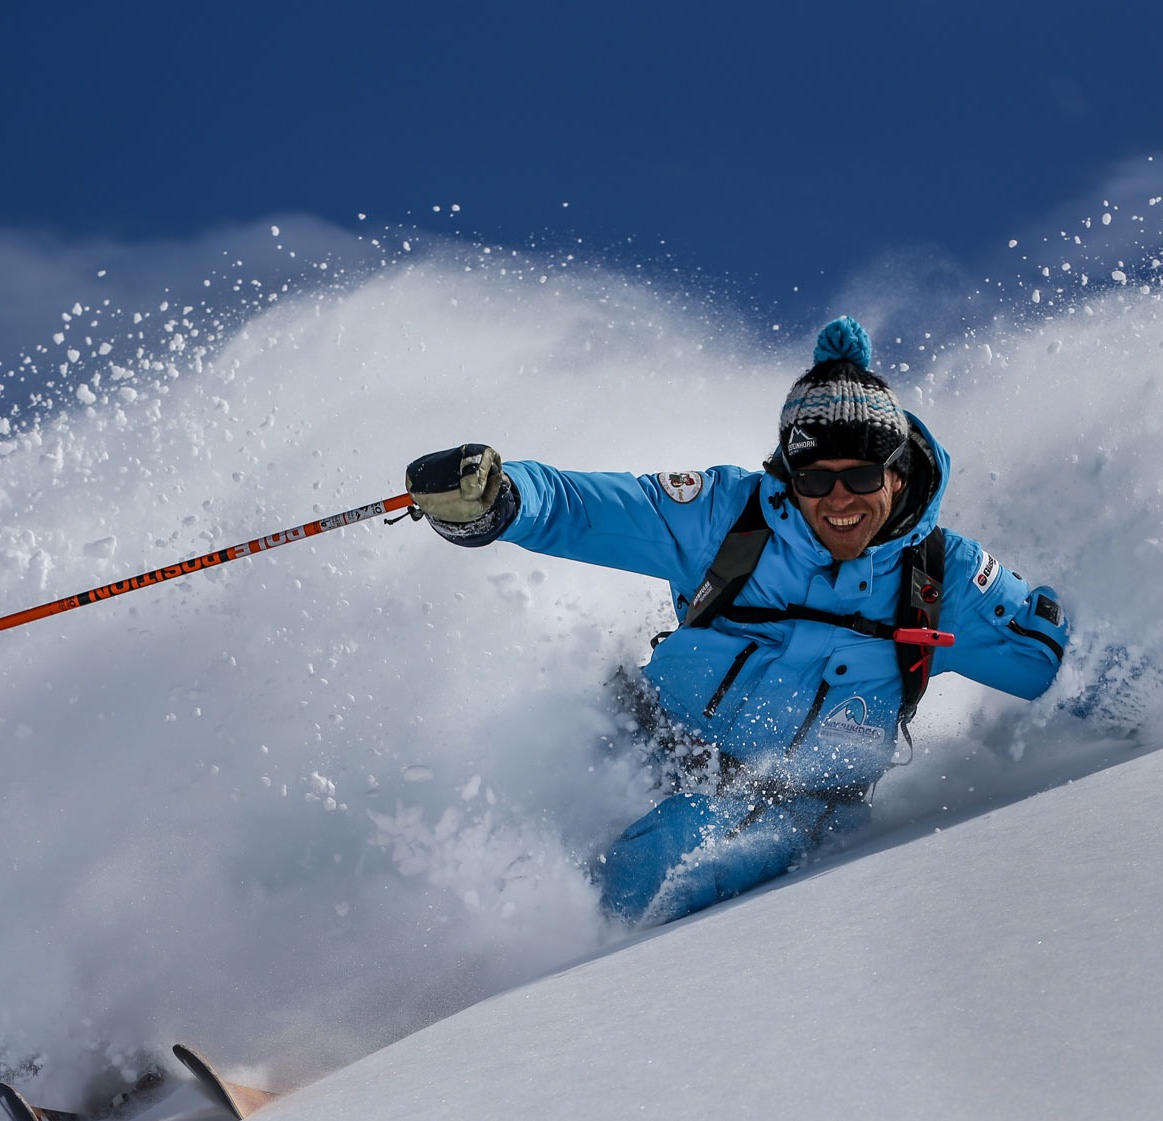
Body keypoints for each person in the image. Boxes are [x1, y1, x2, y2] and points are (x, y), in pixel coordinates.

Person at [404, 316, 1069, 927]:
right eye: (816, 480)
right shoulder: (727, 515)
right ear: (788, 475)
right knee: (501, 844)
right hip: (644, 740)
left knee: (669, 860)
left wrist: (1121, 702)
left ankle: (537, 994)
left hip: (791, 810)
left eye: (863, 477)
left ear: (897, 475)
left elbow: (1057, 666)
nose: (838, 500)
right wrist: (500, 497)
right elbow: (582, 509)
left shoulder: (944, 580)